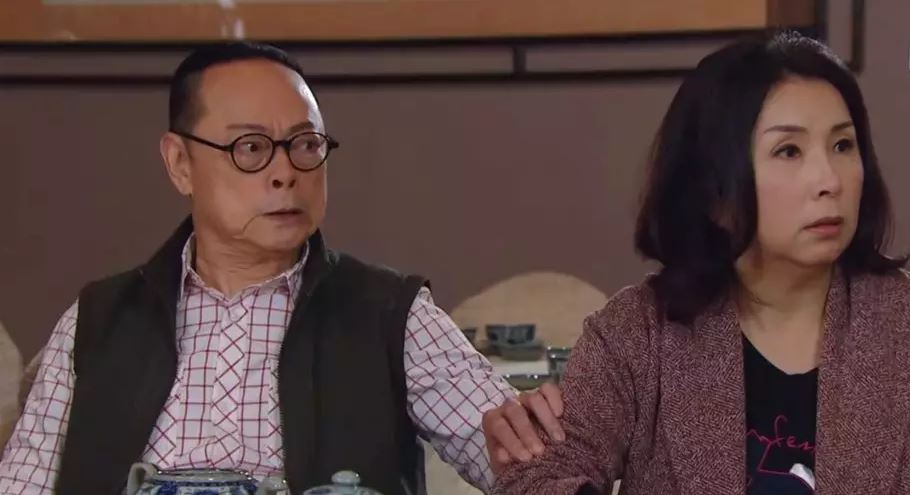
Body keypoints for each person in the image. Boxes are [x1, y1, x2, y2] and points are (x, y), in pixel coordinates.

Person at [0, 42, 561, 495]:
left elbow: (531, 469)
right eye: (250, 148)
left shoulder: (390, 314)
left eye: (305, 145)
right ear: (180, 163)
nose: (285, 173)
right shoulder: (97, 321)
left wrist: (544, 446)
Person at [490, 32, 910, 494]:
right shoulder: (638, 335)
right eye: (788, 151)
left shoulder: (900, 323)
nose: (830, 180)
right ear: (714, 189)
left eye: (843, 145)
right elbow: (536, 478)